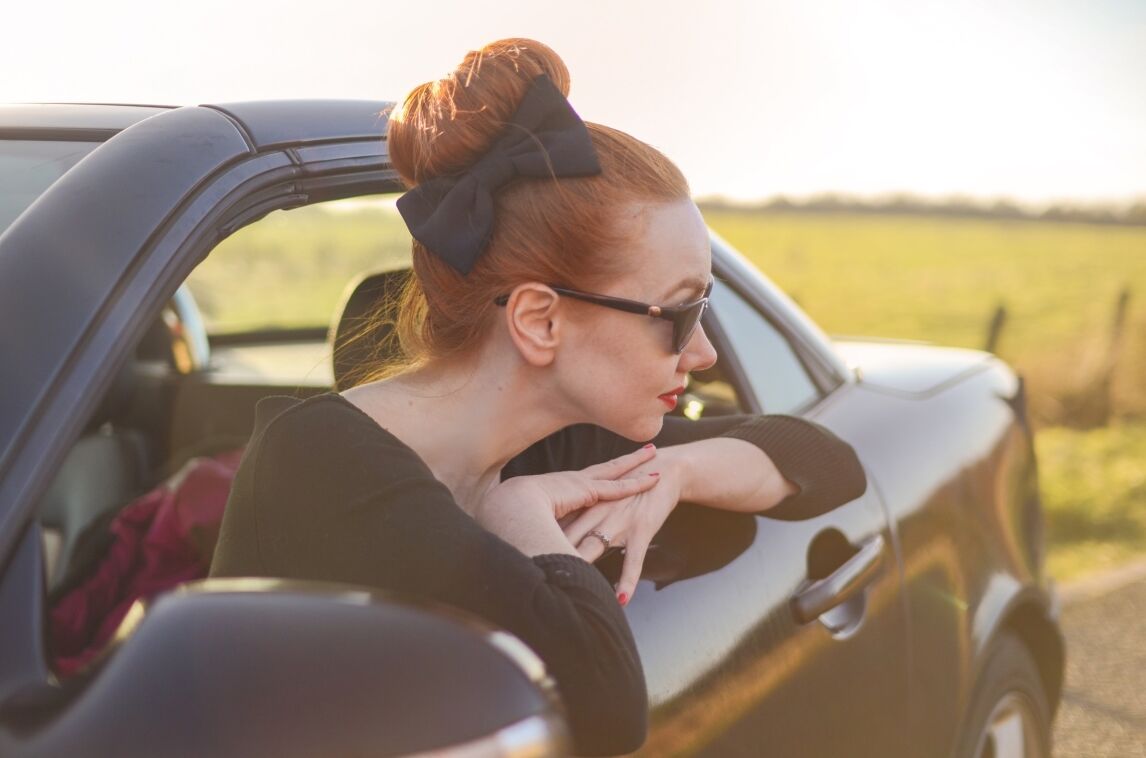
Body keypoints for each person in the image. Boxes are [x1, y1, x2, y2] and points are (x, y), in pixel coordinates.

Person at [210, 38, 865, 756]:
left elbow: (825, 463)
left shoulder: (549, 439)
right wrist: (521, 518)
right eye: (679, 316)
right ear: (539, 321)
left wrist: (674, 472)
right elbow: (606, 710)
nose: (704, 355)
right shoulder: (324, 467)